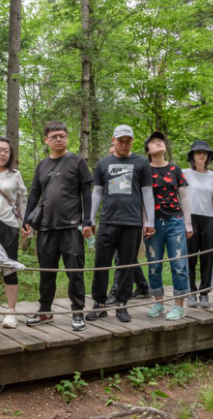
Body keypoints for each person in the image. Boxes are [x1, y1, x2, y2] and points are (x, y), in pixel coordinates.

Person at [22, 121, 93, 331]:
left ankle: (78, 313)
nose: (58, 139)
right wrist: (26, 222)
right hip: (46, 227)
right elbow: (34, 194)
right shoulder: (42, 165)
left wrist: (87, 221)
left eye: (62, 135)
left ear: (67, 137)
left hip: (71, 227)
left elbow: (86, 193)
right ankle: (45, 311)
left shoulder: (77, 161)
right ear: (46, 140)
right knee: (46, 272)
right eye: (53, 137)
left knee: (75, 272)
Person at [87, 124, 155, 323]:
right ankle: (99, 304)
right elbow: (97, 192)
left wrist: (149, 220)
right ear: (113, 140)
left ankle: (122, 304)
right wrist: (90, 219)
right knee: (101, 264)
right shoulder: (103, 163)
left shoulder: (142, 162)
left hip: (132, 222)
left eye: (128, 140)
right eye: (120, 140)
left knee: (127, 264)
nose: (124, 144)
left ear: (132, 141)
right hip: (108, 220)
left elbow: (147, 192)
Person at [143, 132, 192, 321]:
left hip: (175, 221)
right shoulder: (144, 170)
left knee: (178, 264)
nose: (158, 143)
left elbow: (184, 197)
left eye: (160, 141)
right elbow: (141, 200)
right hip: (153, 224)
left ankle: (179, 306)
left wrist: (188, 224)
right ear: (148, 150)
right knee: (154, 264)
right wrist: (144, 223)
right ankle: (158, 302)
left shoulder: (175, 169)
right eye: (153, 142)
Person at [0, 136, 27, 329]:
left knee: (9, 268)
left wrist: (26, 224)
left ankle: (11, 312)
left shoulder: (15, 175)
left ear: (10, 154)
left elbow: (21, 202)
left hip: (9, 225)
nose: (2, 154)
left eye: (6, 151)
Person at [183, 140, 213, 308]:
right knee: (190, 258)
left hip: (208, 218)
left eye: (204, 153)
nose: (201, 155)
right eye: (198, 152)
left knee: (207, 258)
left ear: (208, 157)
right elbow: (180, 197)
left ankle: (205, 294)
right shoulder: (184, 173)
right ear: (192, 156)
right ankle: (191, 293)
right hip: (189, 218)